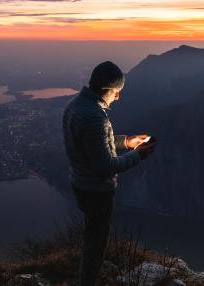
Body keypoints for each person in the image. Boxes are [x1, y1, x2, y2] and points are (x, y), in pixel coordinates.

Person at [62, 61, 156, 285]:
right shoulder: (94, 116)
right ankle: (88, 280)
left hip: (80, 182)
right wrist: (138, 155)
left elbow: (96, 145)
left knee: (91, 236)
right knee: (96, 243)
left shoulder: (76, 105)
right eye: (117, 92)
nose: (118, 97)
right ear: (107, 89)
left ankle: (88, 275)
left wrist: (127, 141)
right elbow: (106, 166)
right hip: (95, 190)